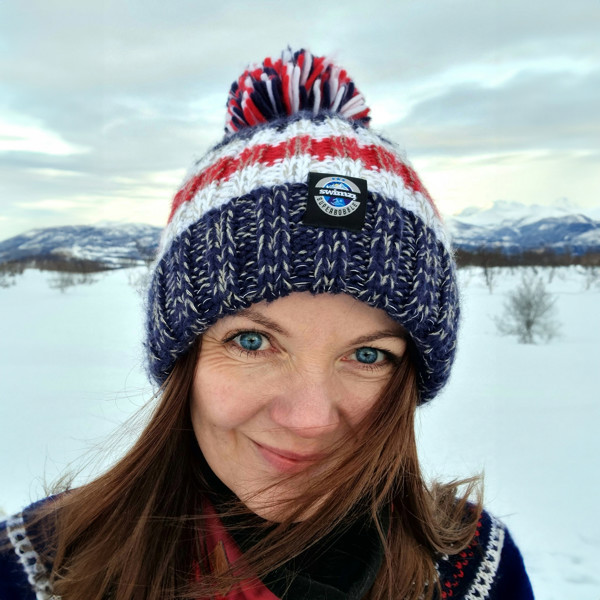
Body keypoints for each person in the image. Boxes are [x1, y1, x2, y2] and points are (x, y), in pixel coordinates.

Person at [0, 48, 534, 600]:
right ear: (185, 357)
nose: (307, 419)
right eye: (252, 341)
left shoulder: (474, 566)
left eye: (369, 355)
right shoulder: (37, 567)